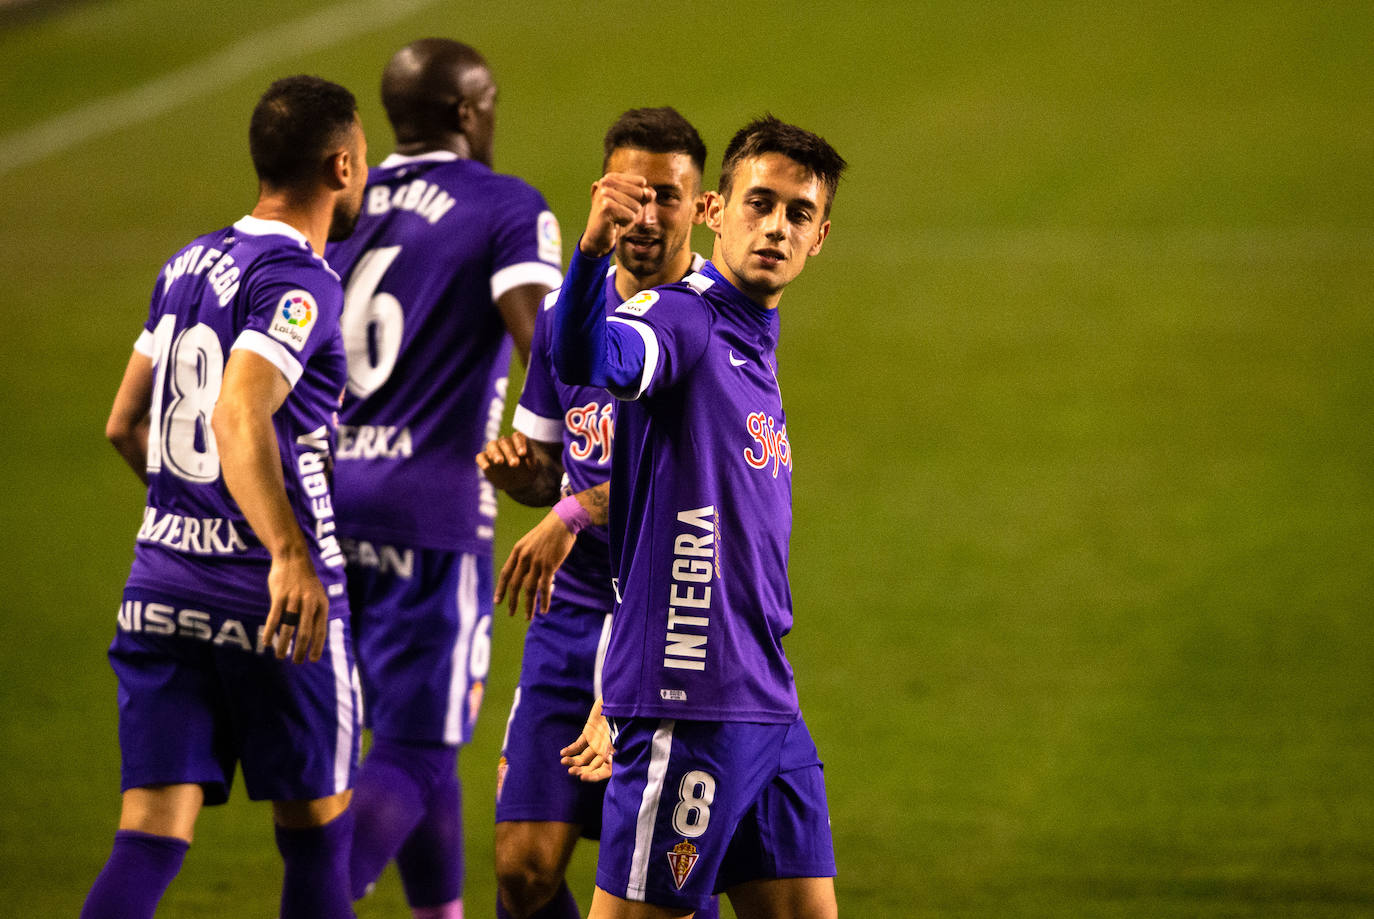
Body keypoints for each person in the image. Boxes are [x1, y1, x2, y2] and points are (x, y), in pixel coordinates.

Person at [85, 75, 368, 919]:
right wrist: (283, 551)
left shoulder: (187, 263)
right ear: (342, 164)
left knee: (149, 829)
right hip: (271, 604)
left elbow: (123, 424)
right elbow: (239, 405)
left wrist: (192, 516)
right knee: (320, 827)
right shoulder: (301, 279)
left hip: (160, 590)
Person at [549, 115, 846, 918]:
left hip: (766, 700)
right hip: (690, 701)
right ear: (716, 210)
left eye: (798, 214)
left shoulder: (753, 335)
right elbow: (589, 358)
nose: (776, 227)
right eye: (760, 203)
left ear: (819, 237)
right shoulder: (684, 318)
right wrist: (589, 258)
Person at [322, 38, 563, 919]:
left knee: (397, 741)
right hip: (431, 511)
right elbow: (546, 343)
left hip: (325, 505)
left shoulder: (342, 201)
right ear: (469, 112)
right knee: (419, 749)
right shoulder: (505, 206)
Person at [474, 108, 718, 919]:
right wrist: (525, 477)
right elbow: (548, 465)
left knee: (657, 878)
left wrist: (574, 508)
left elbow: (691, 483)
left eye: (668, 198)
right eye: (630, 195)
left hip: (670, 621)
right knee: (522, 869)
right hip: (570, 615)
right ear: (601, 194)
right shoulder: (561, 318)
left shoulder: (713, 323)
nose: (646, 217)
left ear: (701, 205)